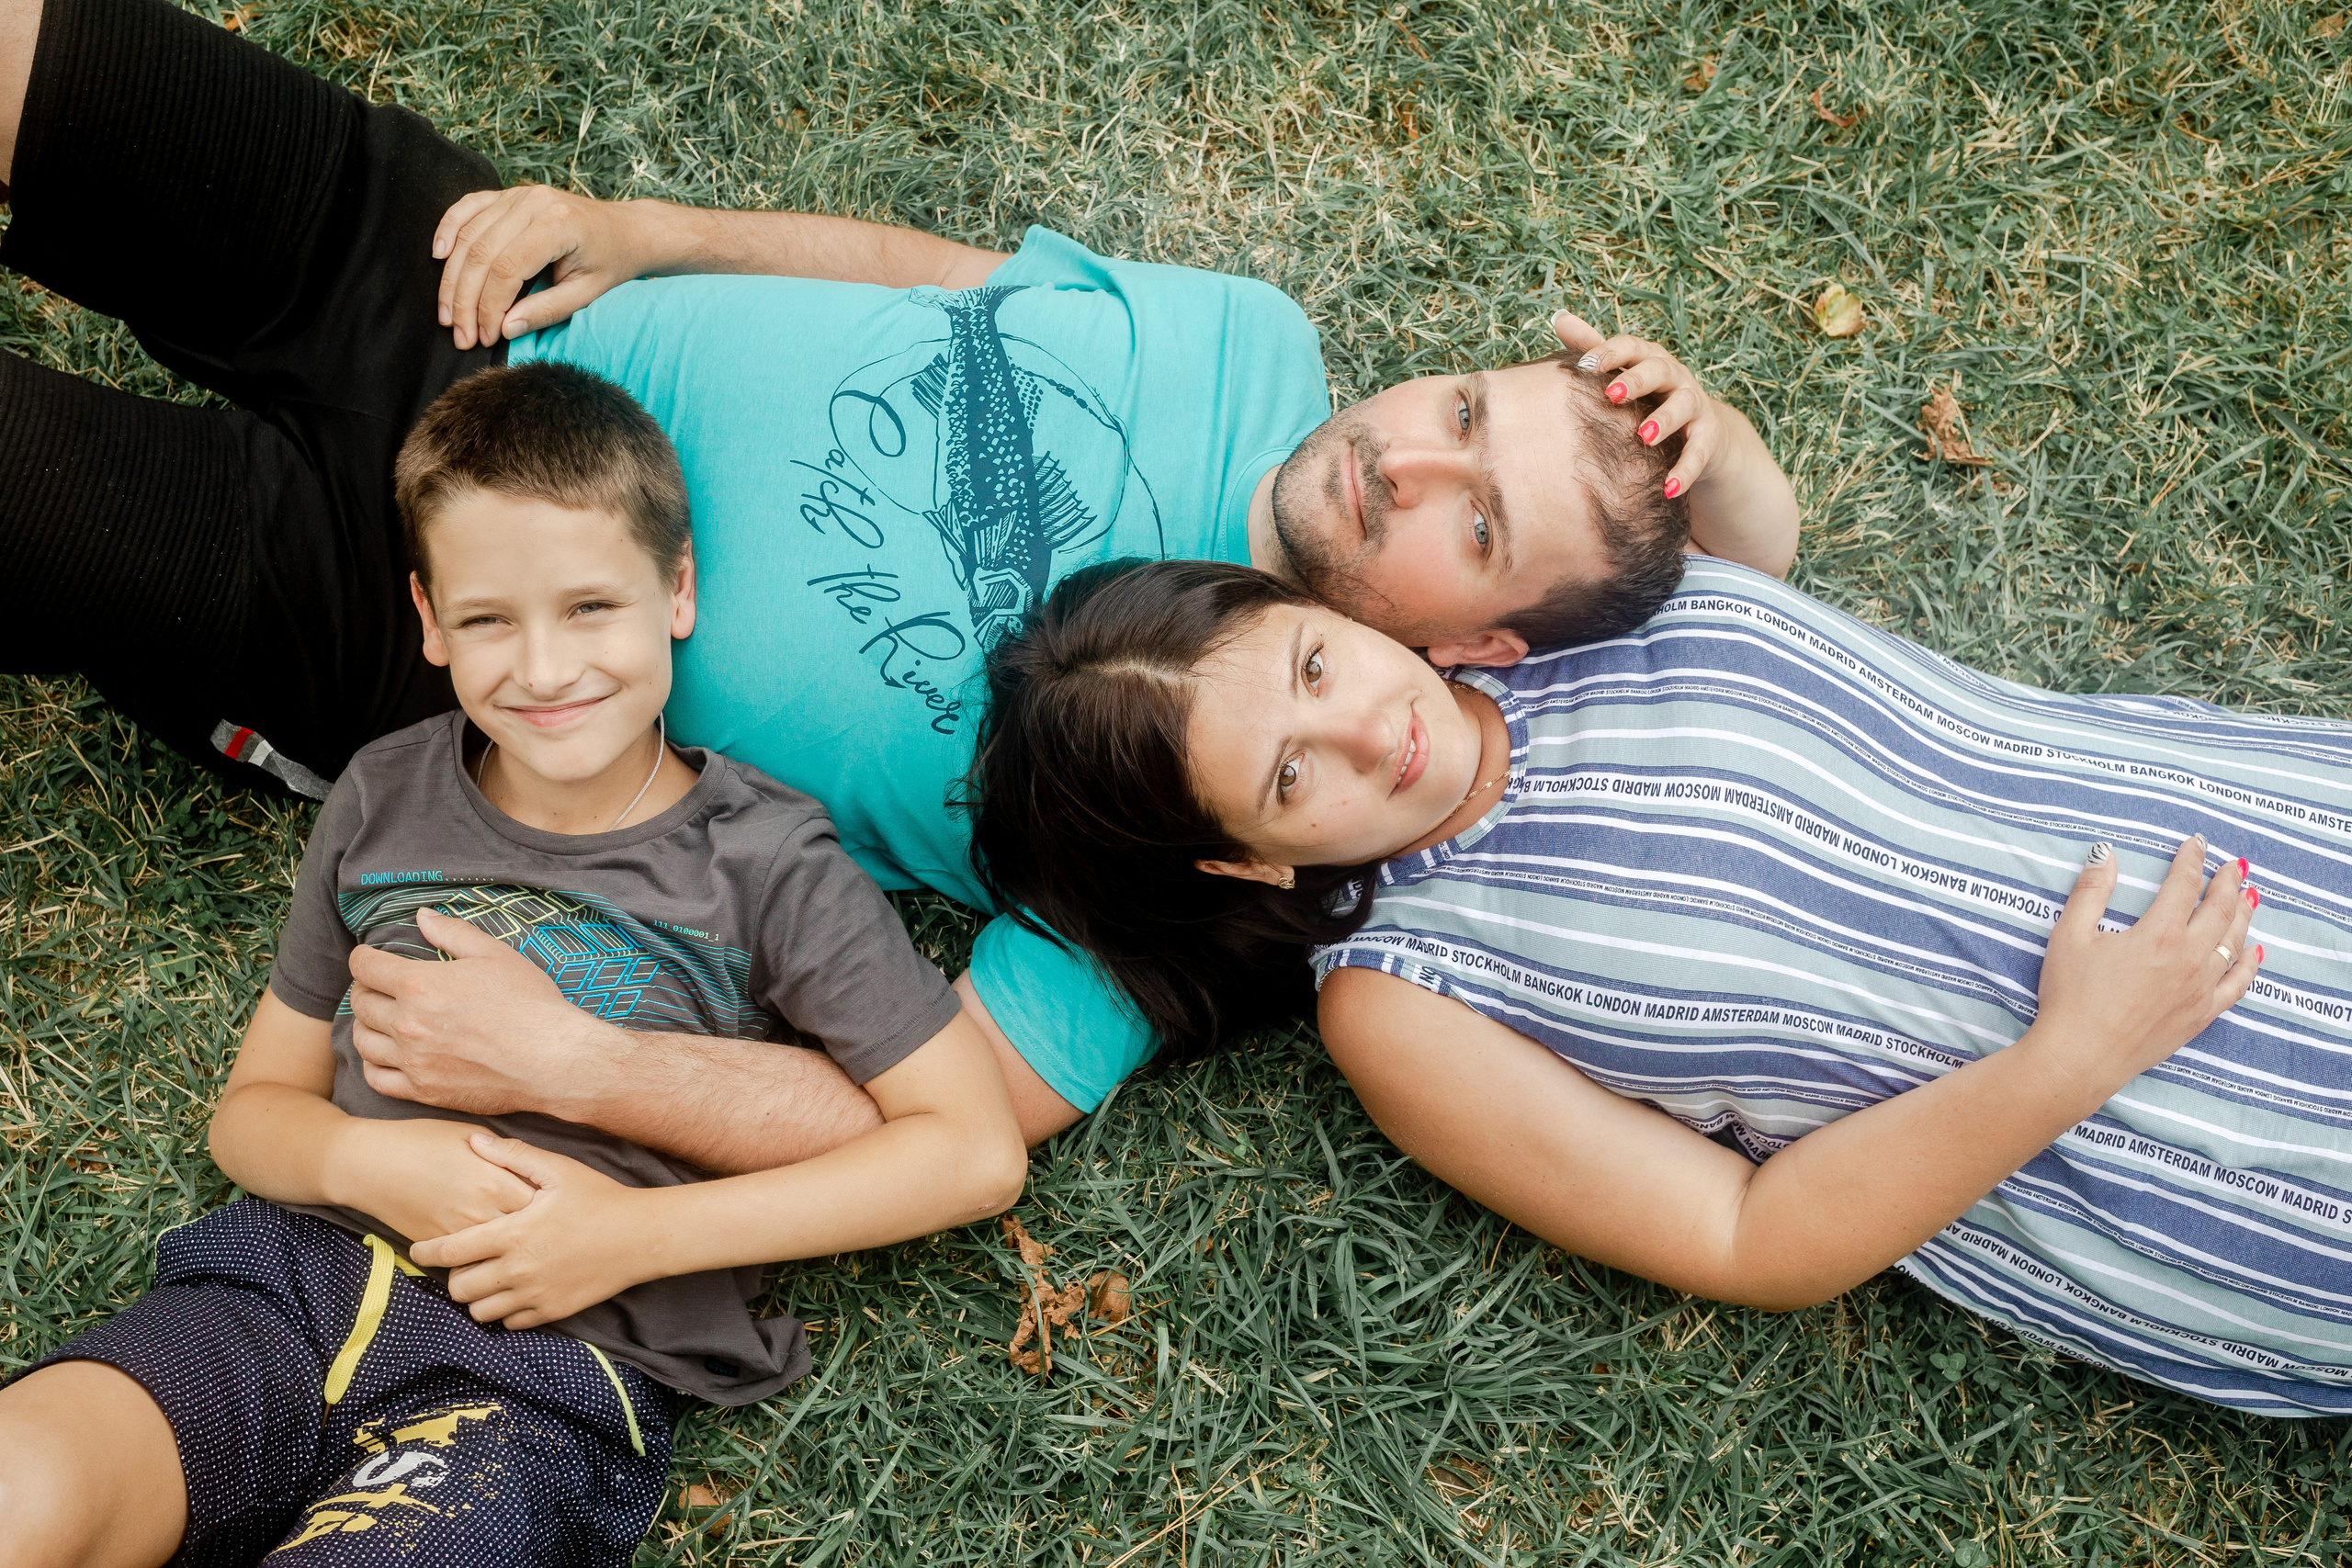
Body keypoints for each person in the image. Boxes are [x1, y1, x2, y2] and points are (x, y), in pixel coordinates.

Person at [0, 0, 1804, 1148]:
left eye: (1467, 519)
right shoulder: (1253, 342)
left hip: (411, 619)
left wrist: (586, 1070)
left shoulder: (1201, 817)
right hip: (495, 293)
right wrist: (648, 231)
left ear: (1478, 640)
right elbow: (935, 275)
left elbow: (937, 1116)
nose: (1405, 454)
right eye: (1465, 408)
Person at [965, 431, 2352, 1416]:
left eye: (1314, 664)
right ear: (1246, 869)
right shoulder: (1400, 1007)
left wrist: (1718, 441)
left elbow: (1758, 573)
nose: (1363, 732)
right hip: (2186, 1139)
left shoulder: (1544, 620)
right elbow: (1752, 1243)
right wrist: (2076, 1059)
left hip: (2255, 831)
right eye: (1285, 777)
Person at [0, 361, 1027, 1565]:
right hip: (290, 1286)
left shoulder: (769, 859)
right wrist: (368, 1157)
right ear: (431, 618)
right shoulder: (385, 795)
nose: (543, 671)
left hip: (546, 1378)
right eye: (490, 620)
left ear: (677, 592)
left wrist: (630, 1237)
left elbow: (971, 1150)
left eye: (591, 607)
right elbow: (250, 1115)